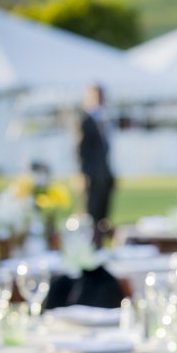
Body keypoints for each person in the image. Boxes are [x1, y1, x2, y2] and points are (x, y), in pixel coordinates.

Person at [77, 84, 115, 247]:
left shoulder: (103, 118)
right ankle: (91, 247)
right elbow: (80, 151)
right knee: (91, 216)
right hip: (92, 175)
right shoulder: (85, 120)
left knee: (103, 216)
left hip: (104, 174)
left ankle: (101, 245)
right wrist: (83, 175)